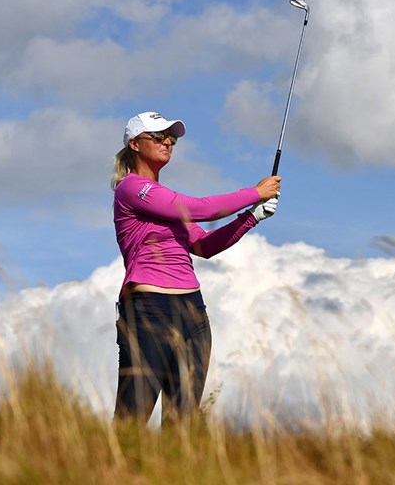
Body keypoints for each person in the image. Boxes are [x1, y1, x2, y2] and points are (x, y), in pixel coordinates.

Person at [110, 111, 281, 424]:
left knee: (183, 424)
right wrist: (254, 193)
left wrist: (252, 217)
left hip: (193, 313)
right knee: (131, 419)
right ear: (134, 144)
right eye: (159, 136)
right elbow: (199, 209)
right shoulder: (131, 189)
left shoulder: (164, 202)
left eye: (172, 139)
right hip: (150, 310)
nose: (168, 143)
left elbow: (204, 246)